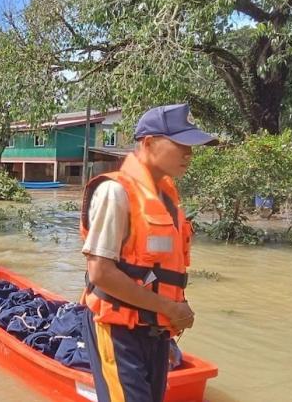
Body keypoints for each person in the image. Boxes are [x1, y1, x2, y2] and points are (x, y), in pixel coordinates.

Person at [80, 103, 218, 402]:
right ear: (149, 143)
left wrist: (174, 314)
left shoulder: (167, 198)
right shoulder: (115, 192)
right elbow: (101, 273)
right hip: (118, 331)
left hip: (155, 332)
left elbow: (159, 270)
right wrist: (169, 309)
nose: (189, 154)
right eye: (181, 144)